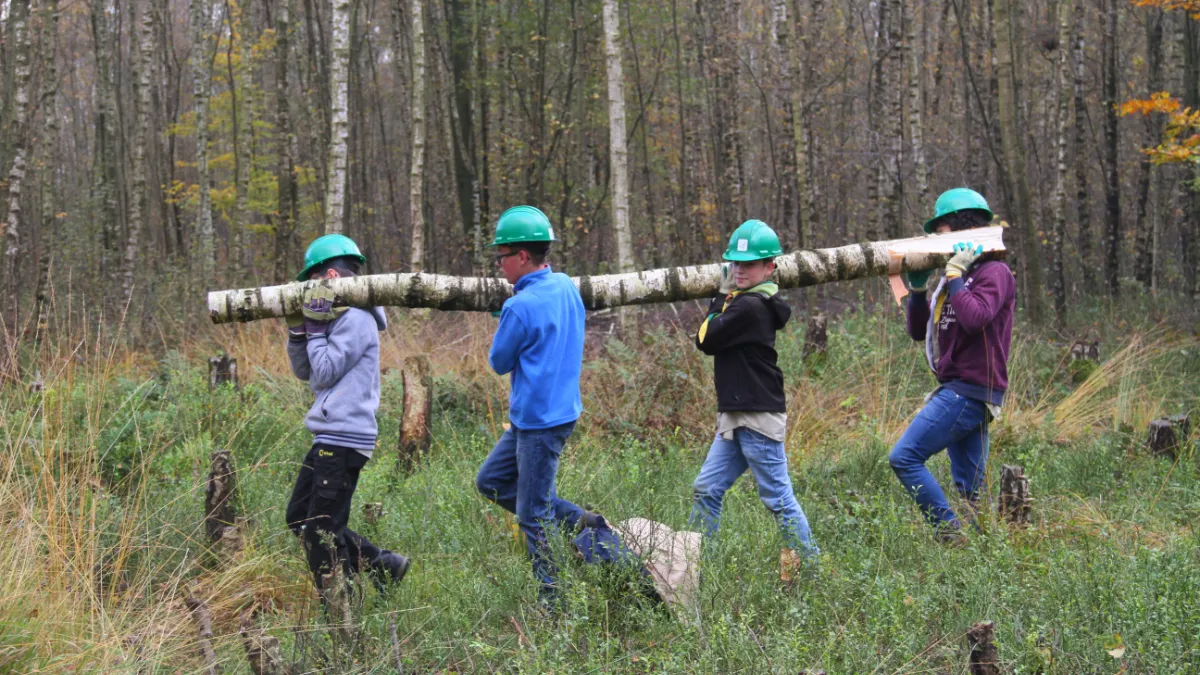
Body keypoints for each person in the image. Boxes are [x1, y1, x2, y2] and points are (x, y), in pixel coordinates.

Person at [474, 206, 603, 604]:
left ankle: (553, 601)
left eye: (502, 257)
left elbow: (499, 362)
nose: (499, 264)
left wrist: (508, 318)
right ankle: (580, 520)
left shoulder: (519, 307)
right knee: (490, 481)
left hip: (538, 423)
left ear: (522, 256)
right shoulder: (564, 285)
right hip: (553, 414)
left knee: (533, 515)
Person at [284, 234, 411, 591]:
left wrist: (315, 330)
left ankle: (341, 608)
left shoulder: (356, 317)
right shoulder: (336, 316)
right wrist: (299, 333)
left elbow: (324, 372)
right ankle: (383, 565)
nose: (309, 288)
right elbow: (306, 371)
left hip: (343, 437)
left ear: (331, 277)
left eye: (312, 280)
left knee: (320, 531)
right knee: (299, 518)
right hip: (329, 434)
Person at [689, 219, 819, 567]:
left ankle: (811, 569)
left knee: (779, 499)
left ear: (769, 267)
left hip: (756, 414)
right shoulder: (749, 300)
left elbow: (705, 340)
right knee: (706, 488)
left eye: (749, 264)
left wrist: (719, 297)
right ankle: (697, 564)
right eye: (735, 262)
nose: (739, 270)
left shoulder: (748, 306)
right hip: (738, 412)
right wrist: (726, 297)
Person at [889, 188, 1015, 543]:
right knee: (971, 489)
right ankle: (983, 551)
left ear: (964, 227)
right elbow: (919, 332)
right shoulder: (953, 277)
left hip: (969, 389)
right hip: (960, 387)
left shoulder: (994, 272)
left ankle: (949, 533)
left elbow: (975, 319)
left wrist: (957, 277)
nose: (935, 238)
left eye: (940, 230)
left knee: (904, 457)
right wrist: (917, 292)